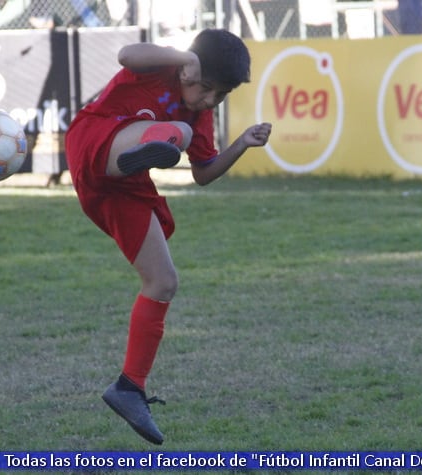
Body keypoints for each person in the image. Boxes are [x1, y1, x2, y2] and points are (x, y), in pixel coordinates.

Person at [64, 29, 271, 445]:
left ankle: (129, 387)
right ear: (191, 68)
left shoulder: (199, 112)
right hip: (94, 141)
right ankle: (150, 145)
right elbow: (126, 53)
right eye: (207, 88)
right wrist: (183, 56)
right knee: (180, 130)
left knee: (163, 282)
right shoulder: (165, 65)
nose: (211, 100)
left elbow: (203, 174)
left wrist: (242, 145)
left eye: (221, 95)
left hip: (121, 186)